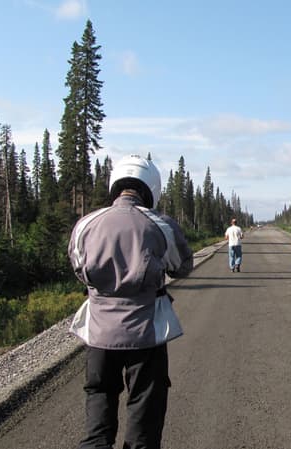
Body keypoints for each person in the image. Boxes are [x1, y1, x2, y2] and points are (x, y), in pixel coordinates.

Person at [68, 154, 194, 449]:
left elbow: (78, 268)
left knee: (99, 393)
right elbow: (182, 266)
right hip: (146, 334)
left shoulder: (86, 224)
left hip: (99, 333)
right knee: (145, 406)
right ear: (151, 187)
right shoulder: (161, 225)